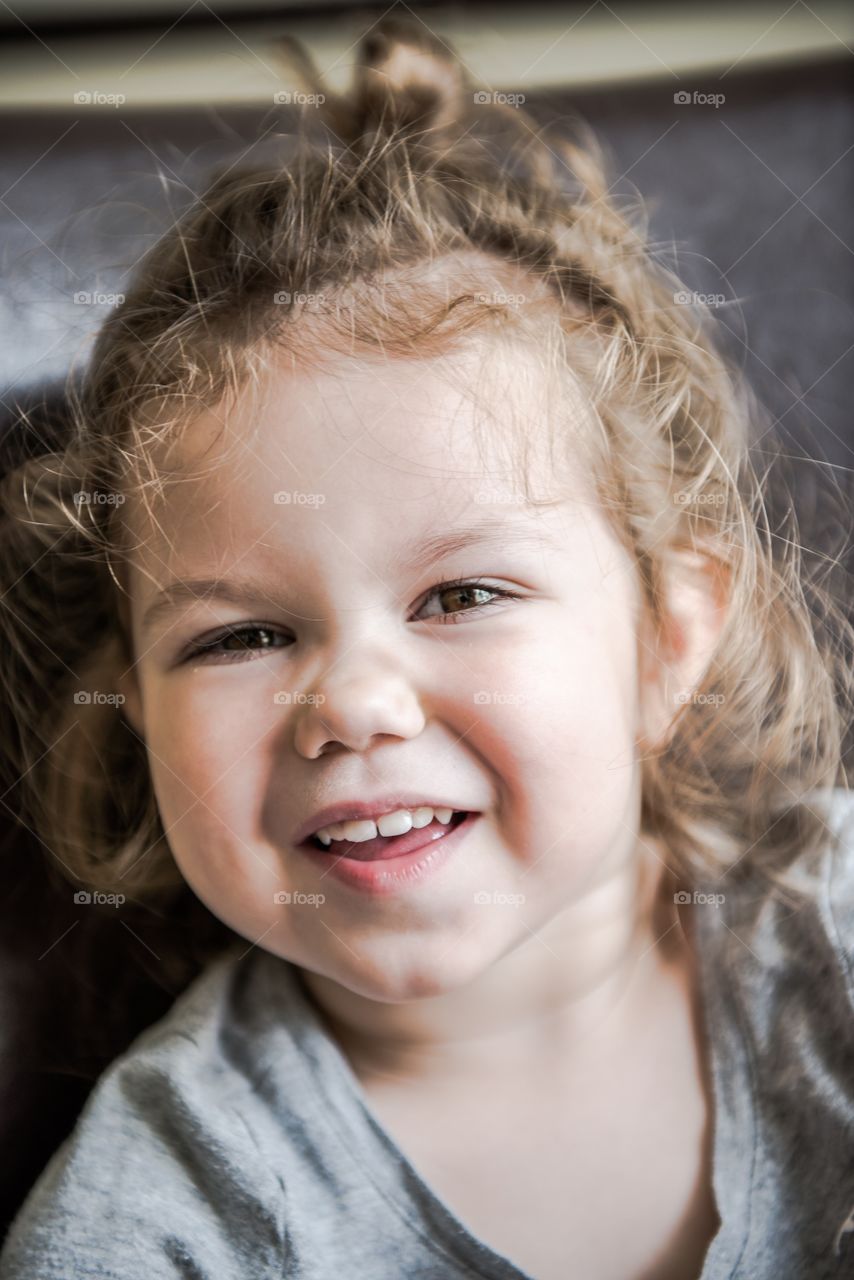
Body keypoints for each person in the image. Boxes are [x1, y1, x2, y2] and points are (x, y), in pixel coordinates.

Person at [1, 15, 852, 1280]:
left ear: (664, 644)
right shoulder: (164, 1222)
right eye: (239, 634)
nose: (351, 703)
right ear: (133, 708)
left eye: (459, 595)